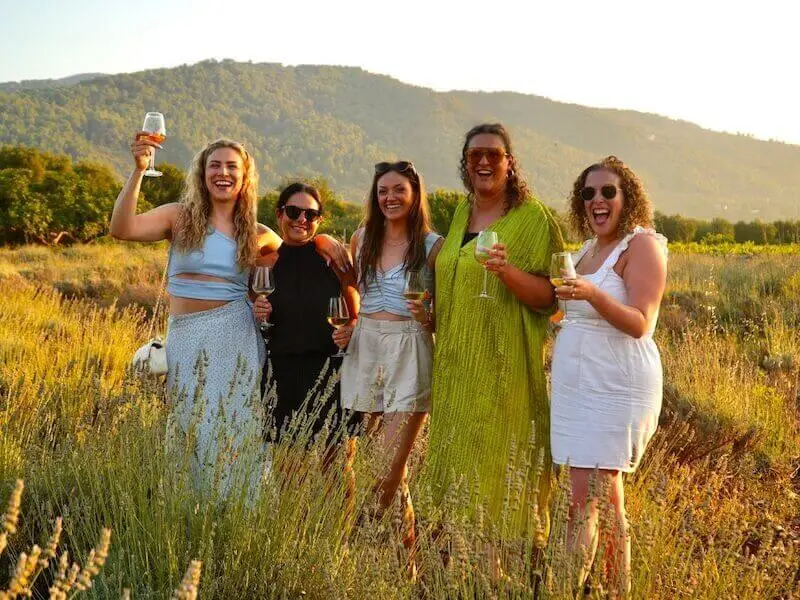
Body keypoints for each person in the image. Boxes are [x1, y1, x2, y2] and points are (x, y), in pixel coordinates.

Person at [110, 136, 348, 496]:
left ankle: (239, 512)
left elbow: (296, 249)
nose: (223, 172)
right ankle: (190, 514)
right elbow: (122, 228)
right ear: (203, 174)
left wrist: (324, 240)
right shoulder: (178, 217)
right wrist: (139, 170)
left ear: (245, 177)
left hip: (235, 336)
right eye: (215, 165)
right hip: (186, 337)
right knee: (190, 428)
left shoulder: (257, 234)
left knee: (235, 428)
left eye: (231, 167)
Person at [423, 123, 563, 541]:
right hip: (457, 372)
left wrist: (506, 271)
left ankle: (504, 571)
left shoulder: (532, 218)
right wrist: (429, 313)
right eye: (474, 155)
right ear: (465, 164)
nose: (484, 161)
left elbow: (549, 299)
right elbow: (454, 281)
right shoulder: (462, 213)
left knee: (504, 474)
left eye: (494, 154)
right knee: (458, 476)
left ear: (510, 163)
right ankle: (460, 572)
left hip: (505, 373)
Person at [550, 156, 668, 596]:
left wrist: (592, 294)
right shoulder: (584, 250)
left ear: (627, 198)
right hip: (576, 385)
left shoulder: (642, 245)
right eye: (588, 193)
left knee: (583, 501)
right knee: (606, 493)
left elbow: (641, 322)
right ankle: (617, 590)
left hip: (614, 385)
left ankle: (564, 589)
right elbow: (575, 313)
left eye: (607, 192)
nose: (597, 200)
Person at [341, 161, 442, 561]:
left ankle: (366, 551)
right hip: (364, 346)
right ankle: (405, 563)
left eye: (399, 189)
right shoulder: (362, 237)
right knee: (377, 467)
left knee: (387, 466)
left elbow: (445, 314)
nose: (390, 197)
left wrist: (429, 317)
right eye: (383, 190)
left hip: (410, 348)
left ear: (415, 194)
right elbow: (351, 290)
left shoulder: (434, 246)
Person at [252, 182, 360, 462]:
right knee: (287, 475)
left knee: (336, 472)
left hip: (330, 372)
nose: (302, 219)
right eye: (294, 211)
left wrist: (350, 328)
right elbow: (252, 305)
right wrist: (258, 311)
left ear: (319, 220)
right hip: (282, 374)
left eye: (310, 215)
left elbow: (357, 310)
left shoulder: (334, 260)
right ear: (279, 214)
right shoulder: (265, 264)